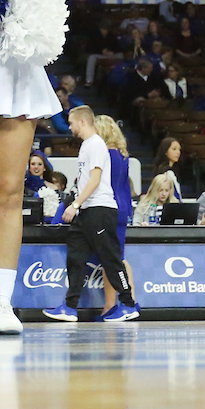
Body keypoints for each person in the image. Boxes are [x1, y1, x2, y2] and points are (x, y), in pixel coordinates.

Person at [43, 106, 139, 322]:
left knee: (111, 259)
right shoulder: (88, 145)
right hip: (87, 210)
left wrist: (74, 205)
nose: (69, 127)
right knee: (76, 257)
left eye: (71, 122)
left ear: (82, 122)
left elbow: (94, 181)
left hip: (100, 209)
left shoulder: (96, 144)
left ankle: (129, 305)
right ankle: (69, 307)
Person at [93, 115, 136, 317]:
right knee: (117, 258)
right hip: (123, 207)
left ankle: (117, 305)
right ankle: (123, 304)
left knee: (112, 260)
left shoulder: (105, 155)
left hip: (109, 208)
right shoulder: (122, 155)